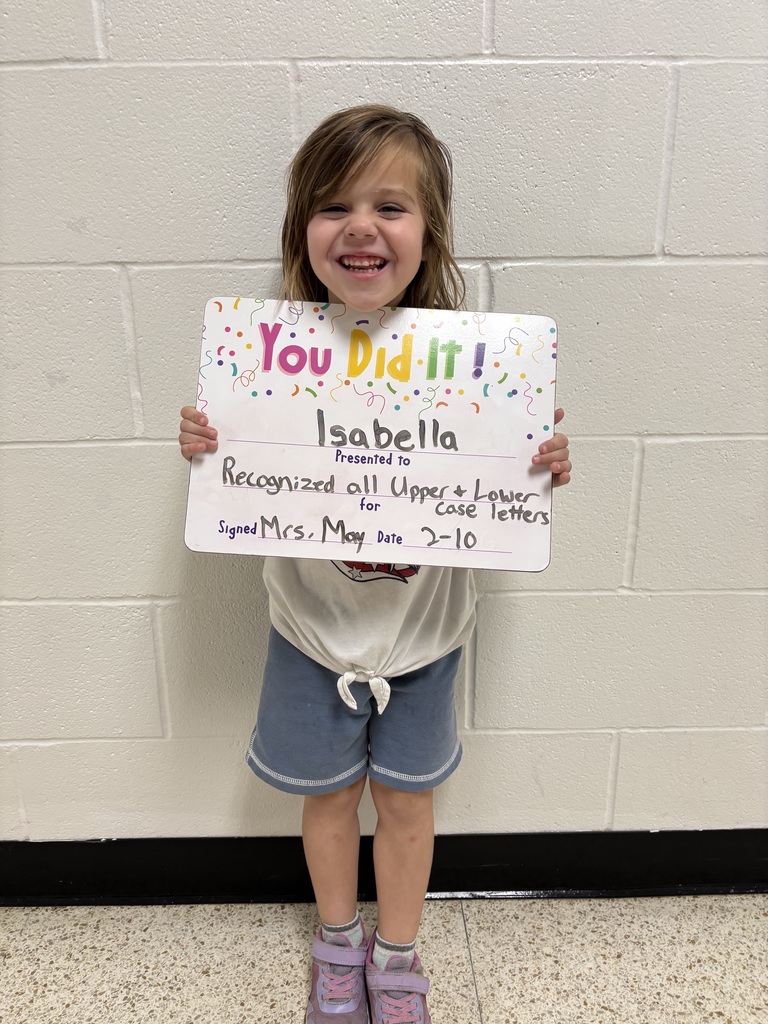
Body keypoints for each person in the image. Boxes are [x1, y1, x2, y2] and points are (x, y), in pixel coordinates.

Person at [178, 105, 571, 1024]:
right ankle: (337, 945)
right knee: (326, 802)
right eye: (334, 206)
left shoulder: (479, 366)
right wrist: (209, 440)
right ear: (301, 233)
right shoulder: (263, 359)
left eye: (391, 206)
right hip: (309, 636)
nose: (361, 226)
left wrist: (539, 459)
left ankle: (397, 958)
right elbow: (239, 472)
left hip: (425, 642)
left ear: (427, 233)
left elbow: (506, 485)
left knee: (405, 805)